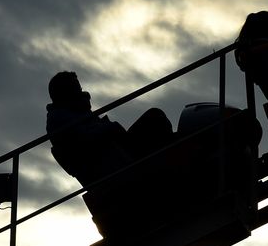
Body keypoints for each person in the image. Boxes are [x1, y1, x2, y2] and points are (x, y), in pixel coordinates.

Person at [45, 71, 174, 183]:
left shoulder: (74, 111)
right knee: (154, 117)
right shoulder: (59, 118)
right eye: (77, 88)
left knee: (156, 119)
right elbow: (84, 141)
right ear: (67, 92)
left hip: (116, 154)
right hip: (113, 165)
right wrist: (110, 128)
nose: (81, 91)